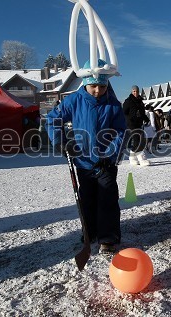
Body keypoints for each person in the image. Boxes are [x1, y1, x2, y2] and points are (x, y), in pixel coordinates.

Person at [45, 59, 126, 253]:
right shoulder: (74, 100)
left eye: (101, 86)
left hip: (106, 162)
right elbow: (52, 119)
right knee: (87, 199)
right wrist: (61, 141)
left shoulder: (113, 105)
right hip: (83, 161)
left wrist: (111, 154)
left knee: (107, 198)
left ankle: (107, 238)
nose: (97, 90)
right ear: (85, 83)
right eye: (93, 86)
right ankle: (90, 232)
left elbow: (121, 131)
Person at [122, 85, 150, 166]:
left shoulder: (140, 101)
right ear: (132, 92)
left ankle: (132, 158)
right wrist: (129, 119)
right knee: (138, 140)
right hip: (131, 124)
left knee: (138, 140)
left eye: (137, 91)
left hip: (139, 123)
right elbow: (124, 112)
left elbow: (142, 113)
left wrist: (146, 119)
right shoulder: (128, 101)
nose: (135, 93)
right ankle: (142, 159)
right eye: (134, 91)